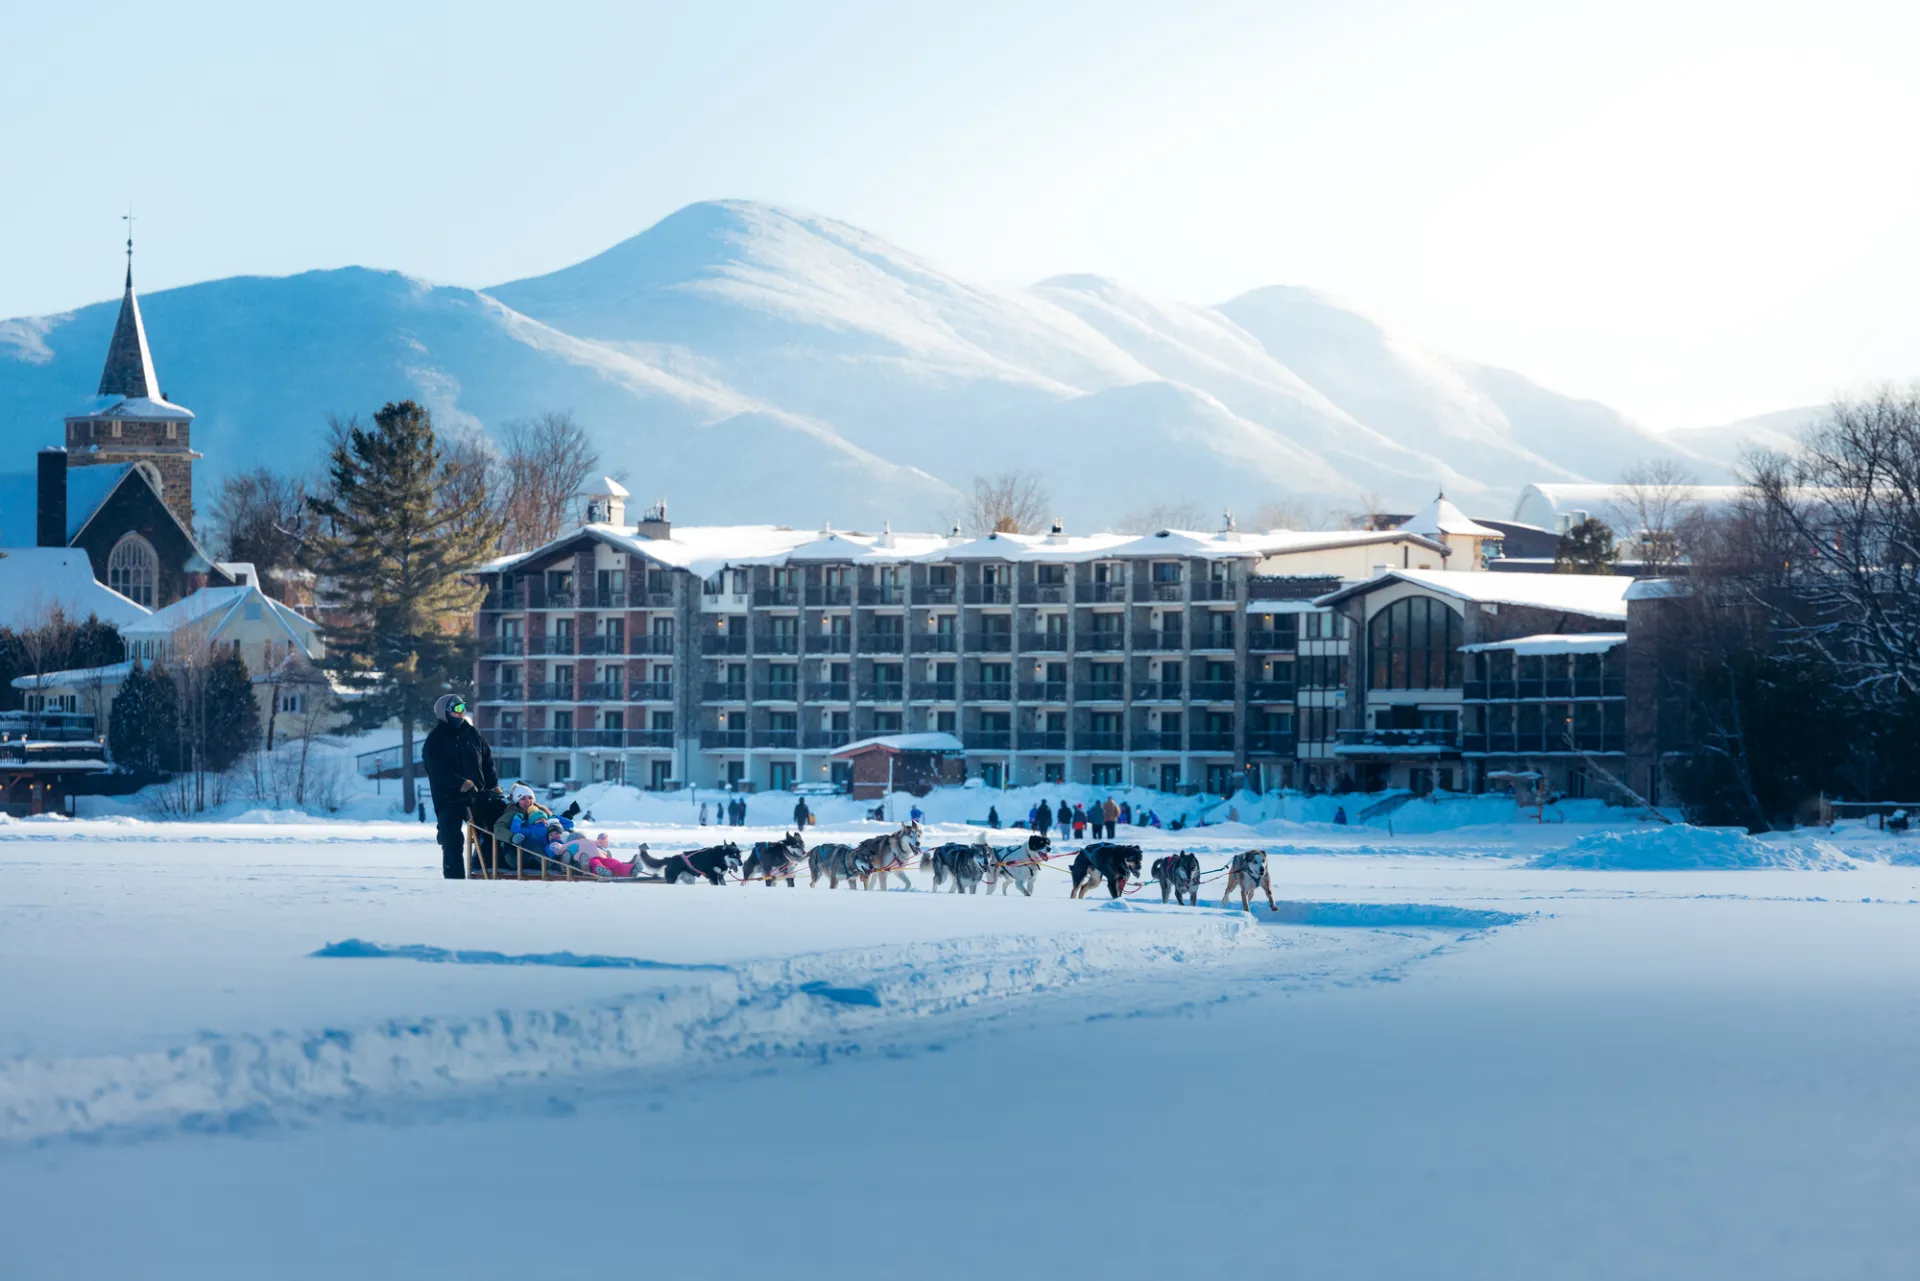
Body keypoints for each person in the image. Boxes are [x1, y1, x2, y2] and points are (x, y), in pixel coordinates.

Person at [421, 693, 497, 880]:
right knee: (452, 839)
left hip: (477, 796)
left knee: (490, 832)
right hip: (450, 799)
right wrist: (460, 783)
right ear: (445, 713)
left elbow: (487, 761)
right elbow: (436, 769)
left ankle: (484, 874)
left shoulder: (472, 734)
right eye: (457, 709)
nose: (461, 713)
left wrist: (493, 785)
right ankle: (455, 882)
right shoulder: (435, 740)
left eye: (463, 708)